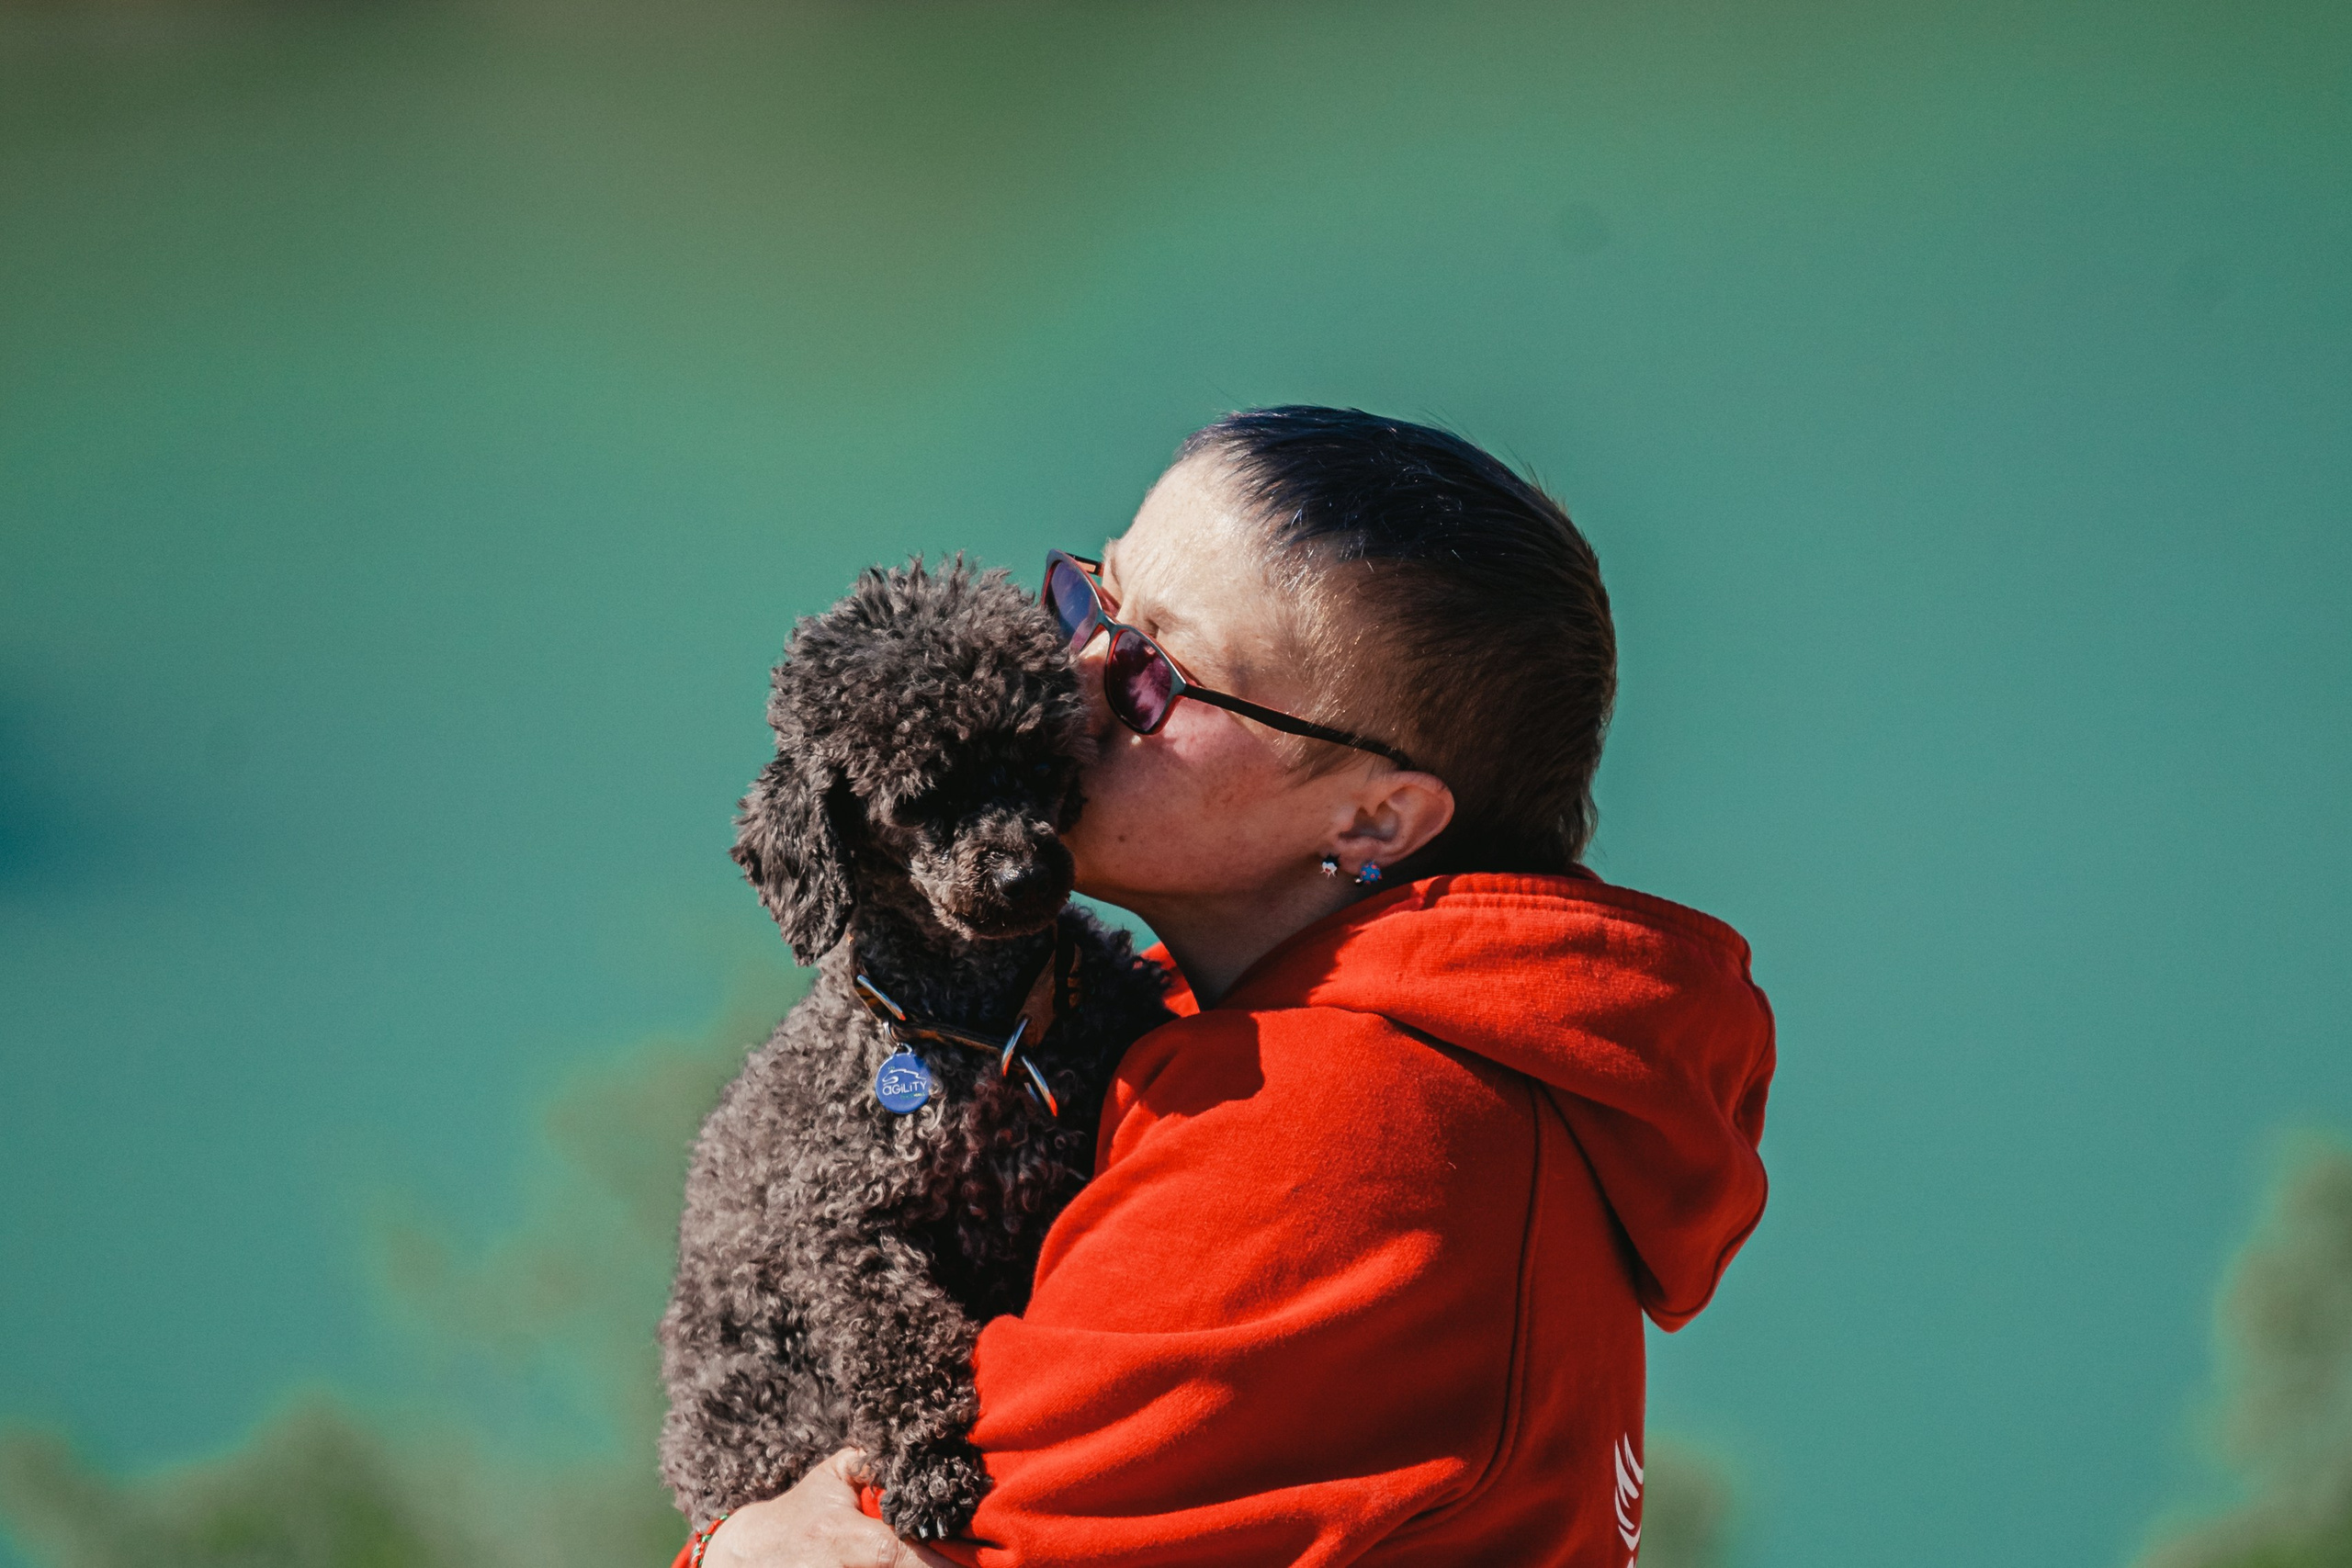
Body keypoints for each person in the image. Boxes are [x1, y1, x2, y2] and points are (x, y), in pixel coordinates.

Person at [690, 407, 1776, 1568]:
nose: (1073, 673)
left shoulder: (1342, 1125)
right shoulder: (1297, 1025)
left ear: (1375, 814)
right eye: (1085, 599)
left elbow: (941, 1547)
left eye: (1155, 673)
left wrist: (738, 1549)